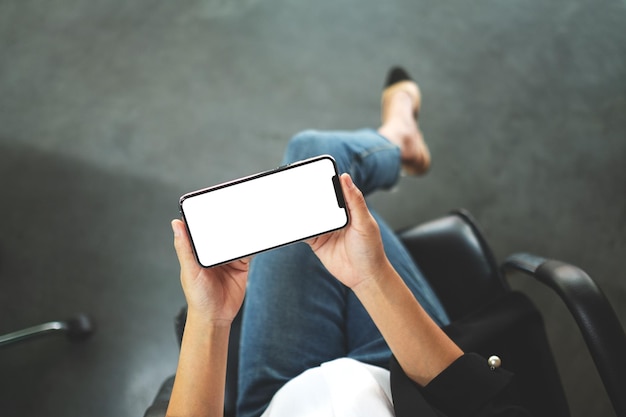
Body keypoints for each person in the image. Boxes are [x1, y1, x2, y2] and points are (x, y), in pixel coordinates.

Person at [166, 67, 532, 417]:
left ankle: (396, 142)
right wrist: (372, 276)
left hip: (276, 403)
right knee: (313, 160)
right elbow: (484, 409)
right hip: (409, 388)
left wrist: (209, 319)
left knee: (311, 160)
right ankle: (397, 141)